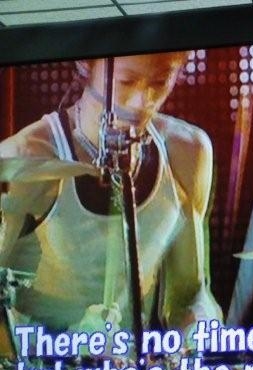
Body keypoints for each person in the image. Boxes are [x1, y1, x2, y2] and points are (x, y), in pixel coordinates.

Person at [0, 52, 222, 347]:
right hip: (48, 365)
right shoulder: (22, 159)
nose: (142, 101)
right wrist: (72, 345)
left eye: (160, 82)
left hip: (135, 368)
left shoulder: (187, 151)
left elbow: (189, 295)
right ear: (84, 65)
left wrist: (201, 329)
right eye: (126, 81)